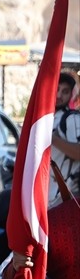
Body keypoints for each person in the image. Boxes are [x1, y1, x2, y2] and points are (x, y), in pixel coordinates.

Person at [49, 70, 80, 207]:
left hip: (63, 199)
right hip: (49, 196)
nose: (59, 95)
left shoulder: (71, 118)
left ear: (72, 94)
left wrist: (53, 139)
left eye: (65, 91)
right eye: (57, 89)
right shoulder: (49, 117)